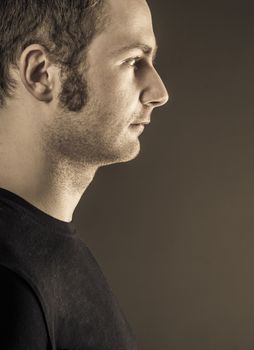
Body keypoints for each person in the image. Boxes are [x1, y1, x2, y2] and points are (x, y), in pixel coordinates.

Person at [0, 0, 169, 348]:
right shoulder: (9, 284)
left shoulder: (49, 251)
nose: (159, 93)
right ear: (41, 74)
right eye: (133, 61)